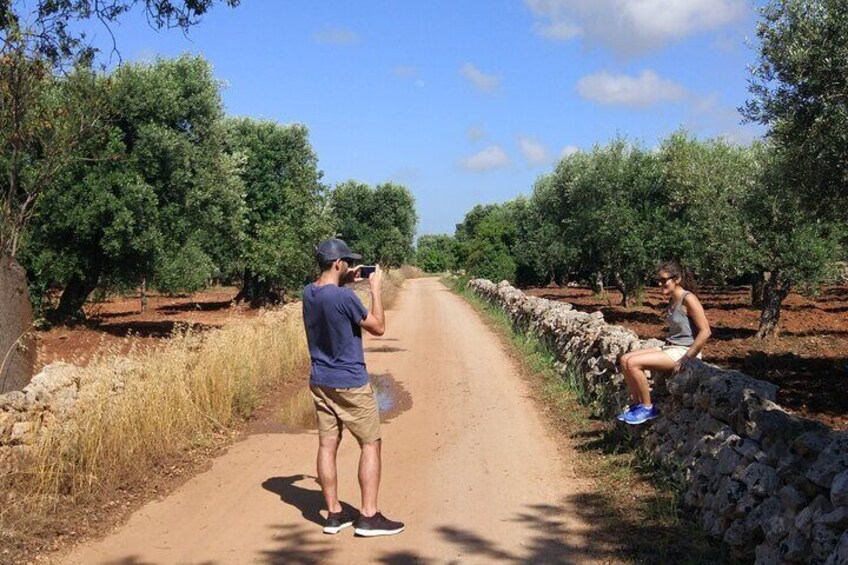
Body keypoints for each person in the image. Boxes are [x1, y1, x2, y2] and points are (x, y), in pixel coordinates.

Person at [301, 238, 405, 537]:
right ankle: (369, 517)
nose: (349, 265)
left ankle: (333, 513)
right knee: (370, 443)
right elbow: (378, 327)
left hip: (320, 380)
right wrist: (374, 289)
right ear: (337, 264)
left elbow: (329, 298)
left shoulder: (308, 293)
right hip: (350, 382)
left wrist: (346, 280)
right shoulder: (345, 299)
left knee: (326, 445)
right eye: (346, 262)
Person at [617, 261, 711, 425]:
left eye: (664, 280)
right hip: (671, 346)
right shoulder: (673, 300)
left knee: (633, 363)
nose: (660, 284)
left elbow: (706, 332)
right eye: (658, 280)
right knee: (625, 359)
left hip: (684, 351)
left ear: (677, 279)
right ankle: (638, 404)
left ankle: (647, 408)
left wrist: (687, 358)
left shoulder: (689, 299)